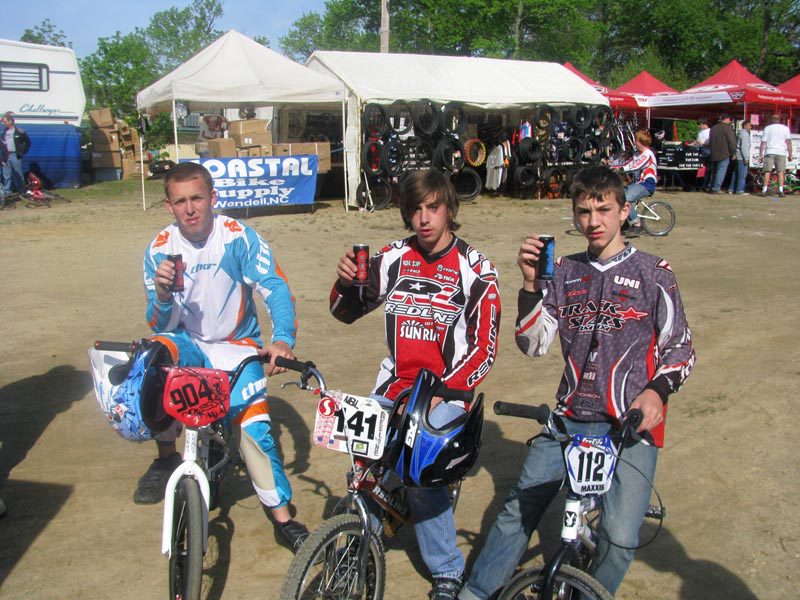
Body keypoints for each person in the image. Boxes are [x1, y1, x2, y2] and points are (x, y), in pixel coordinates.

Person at [459, 165, 696, 600]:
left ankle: (589, 594)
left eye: (604, 209)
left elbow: (680, 348)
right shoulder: (565, 270)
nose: (593, 221)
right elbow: (534, 345)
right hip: (568, 420)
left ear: (625, 212)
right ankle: (475, 593)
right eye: (584, 211)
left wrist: (656, 391)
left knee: (621, 538)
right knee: (517, 510)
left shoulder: (654, 272)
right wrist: (531, 285)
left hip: (629, 427)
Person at [329, 168, 501, 600]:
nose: (424, 218)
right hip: (395, 384)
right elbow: (344, 312)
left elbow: (484, 348)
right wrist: (346, 284)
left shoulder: (476, 269)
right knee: (358, 454)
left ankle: (446, 569)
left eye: (433, 208)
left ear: (448, 209)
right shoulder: (392, 257)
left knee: (419, 468)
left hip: (447, 392)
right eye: (416, 209)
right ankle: (363, 528)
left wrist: (438, 395)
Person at [137, 161, 309, 552]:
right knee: (155, 363)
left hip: (237, 346)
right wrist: (162, 296)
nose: (191, 208)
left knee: (254, 431)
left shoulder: (237, 236)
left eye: (198, 198)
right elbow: (157, 321)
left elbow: (274, 287)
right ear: (168, 206)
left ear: (213, 198)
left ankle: (282, 515)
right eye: (180, 201)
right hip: (189, 343)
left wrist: (281, 339)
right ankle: (166, 457)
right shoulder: (159, 248)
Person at [618, 129, 657, 235]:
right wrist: (614, 166)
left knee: (626, 199)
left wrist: (622, 170)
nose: (635, 142)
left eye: (636, 140)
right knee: (619, 195)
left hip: (646, 184)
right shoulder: (637, 154)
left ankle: (636, 224)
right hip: (638, 183)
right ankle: (627, 222)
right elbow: (627, 163)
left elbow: (636, 166)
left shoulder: (647, 154)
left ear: (641, 142)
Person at [759, 114, 793, 197]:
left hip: (770, 151)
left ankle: (764, 190)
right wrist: (790, 154)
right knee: (781, 172)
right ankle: (781, 190)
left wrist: (760, 154)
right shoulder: (785, 129)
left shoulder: (768, 128)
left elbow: (763, 142)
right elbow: (788, 142)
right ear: (780, 120)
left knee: (767, 171)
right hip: (781, 152)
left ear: (771, 120)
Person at [1, 112, 31, 194]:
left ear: (10, 121)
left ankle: (22, 190)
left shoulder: (20, 131)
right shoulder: (2, 132)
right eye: (3, 122)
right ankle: (7, 191)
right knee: (6, 175)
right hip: (5, 156)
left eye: (5, 121)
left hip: (15, 155)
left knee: (18, 174)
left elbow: (28, 142)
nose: (4, 123)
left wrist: (22, 152)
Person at [708, 113, 736, 194]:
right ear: (726, 118)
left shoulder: (713, 128)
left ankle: (711, 186)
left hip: (714, 153)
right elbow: (732, 142)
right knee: (721, 171)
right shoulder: (728, 128)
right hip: (724, 153)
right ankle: (716, 188)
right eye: (730, 119)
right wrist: (733, 152)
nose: (730, 121)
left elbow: (710, 141)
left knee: (714, 172)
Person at [728, 120, 752, 195]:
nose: (750, 127)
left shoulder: (739, 133)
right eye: (749, 125)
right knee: (742, 174)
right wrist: (746, 158)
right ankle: (739, 189)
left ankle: (731, 188)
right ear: (744, 126)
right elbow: (744, 147)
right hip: (742, 157)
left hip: (738, 156)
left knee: (735, 173)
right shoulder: (745, 134)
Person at [691, 117, 711, 191]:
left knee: (708, 171)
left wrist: (701, 143)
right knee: (701, 170)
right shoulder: (700, 132)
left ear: (703, 124)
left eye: (699, 125)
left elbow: (710, 142)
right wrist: (694, 143)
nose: (699, 126)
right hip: (701, 153)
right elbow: (698, 142)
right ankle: (699, 185)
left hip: (709, 153)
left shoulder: (710, 131)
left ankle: (705, 185)